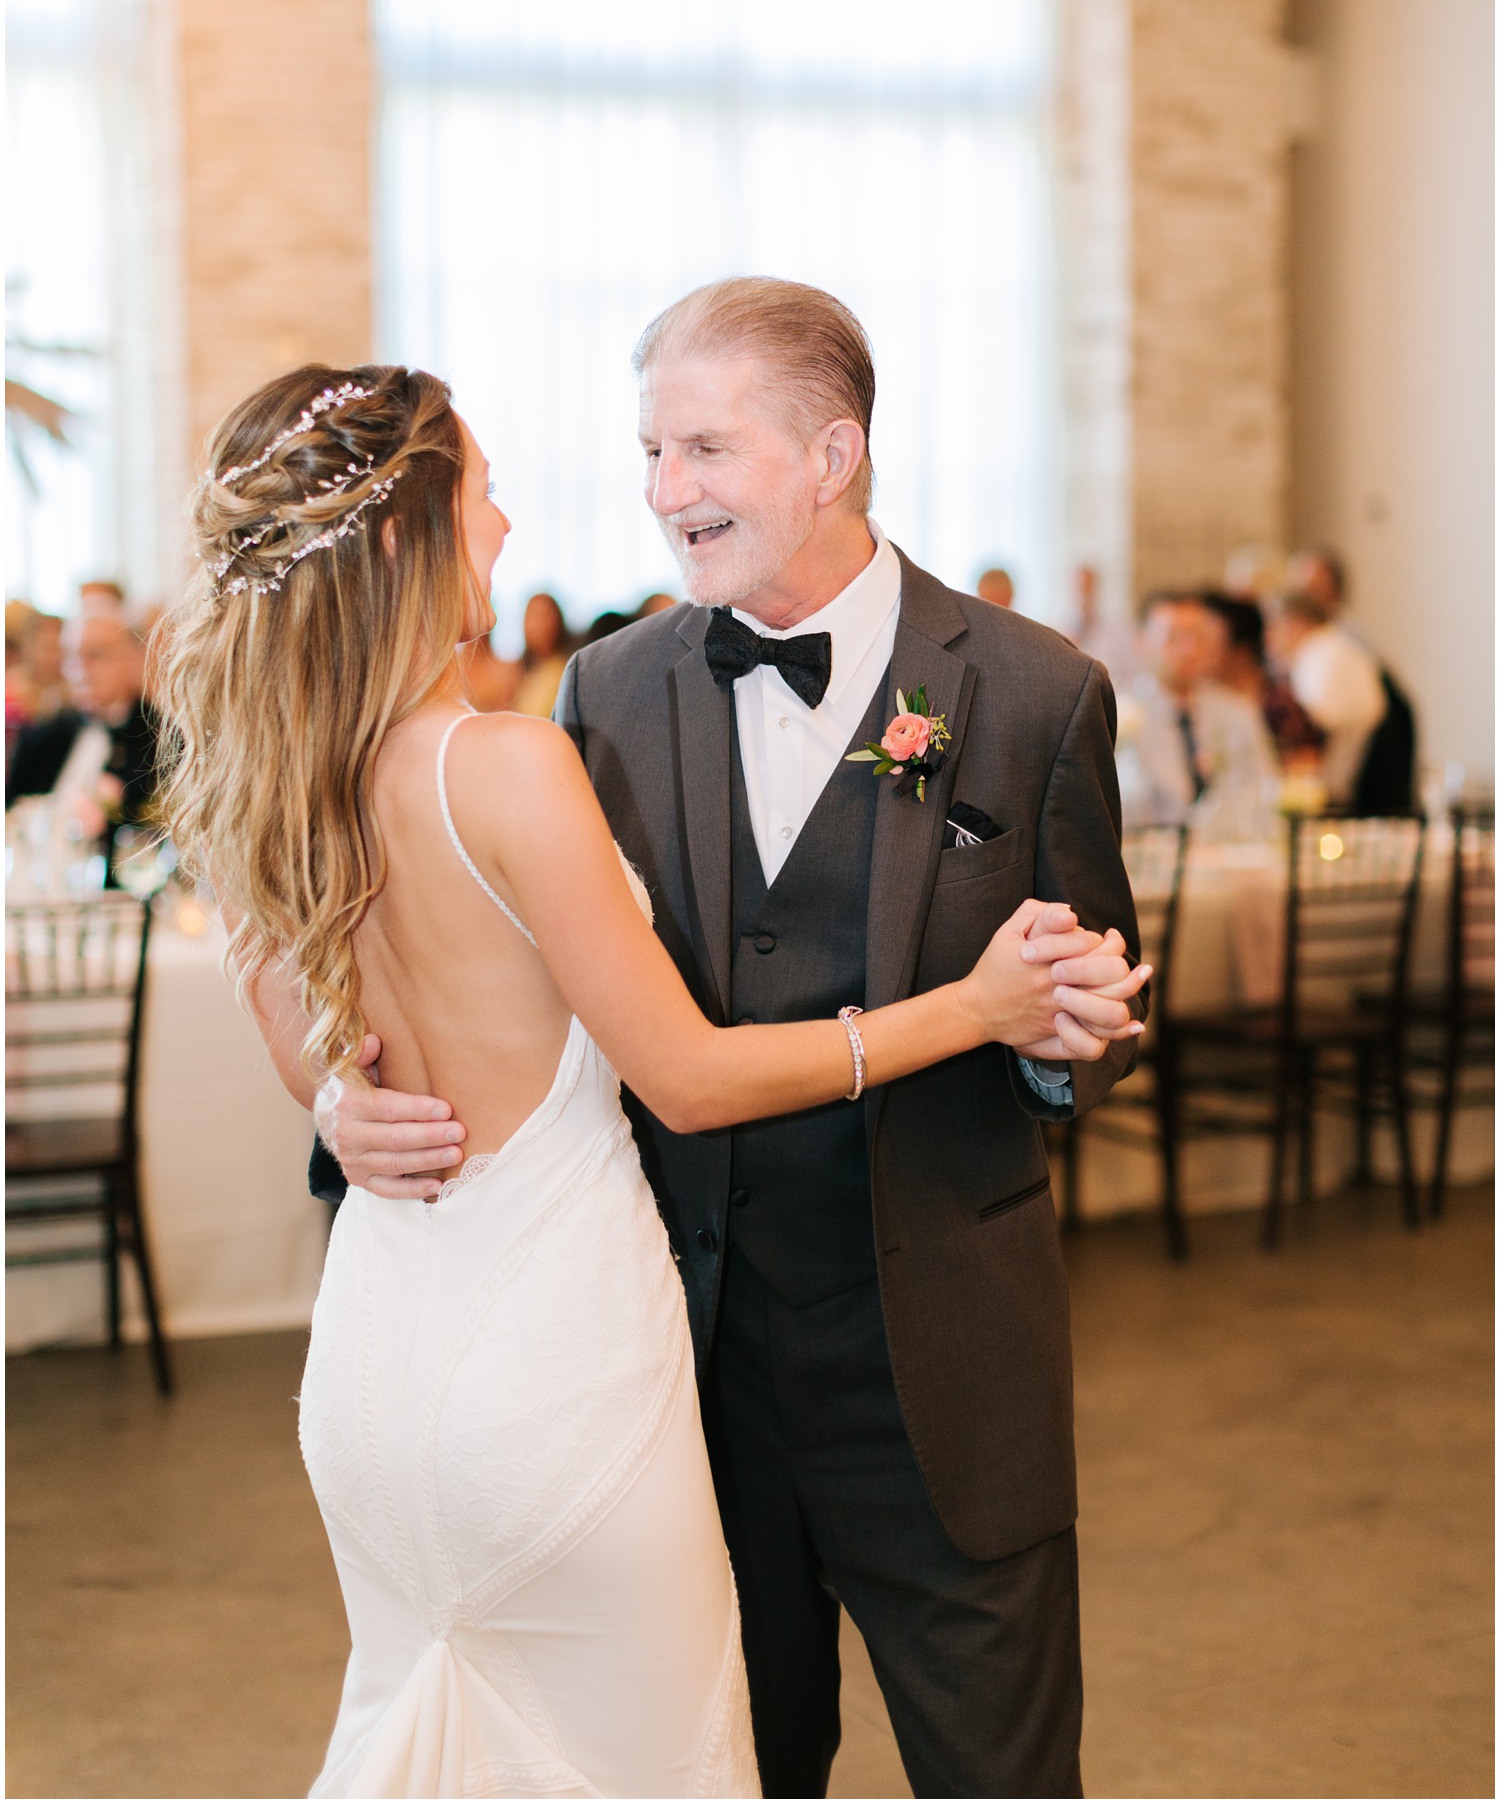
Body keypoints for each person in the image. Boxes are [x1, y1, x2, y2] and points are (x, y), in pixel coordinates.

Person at [322, 281, 1150, 1799]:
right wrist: (339, 1111)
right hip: (673, 1384)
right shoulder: (607, 693)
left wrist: (1072, 1031)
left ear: (832, 456)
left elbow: (1094, 1010)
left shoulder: (1034, 693)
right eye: (650, 451)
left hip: (945, 1382)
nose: (662, 492)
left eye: (702, 447)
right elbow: (488, 975)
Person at [1120, 590, 1279, 832]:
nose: (1188, 649)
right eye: (1173, 638)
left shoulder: (1237, 713)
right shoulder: (1122, 717)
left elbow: (1266, 790)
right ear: (1141, 642)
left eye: (1197, 637)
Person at [6, 608, 161, 840]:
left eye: (95, 654)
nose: (81, 669)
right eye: (71, 656)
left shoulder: (159, 735)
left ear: (131, 658)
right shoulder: (43, 735)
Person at [1267, 590, 1390, 810]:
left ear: (1293, 623)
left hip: (1330, 793)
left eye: (1273, 627)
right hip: (1357, 782)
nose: (1268, 638)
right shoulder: (1342, 648)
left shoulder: (1318, 655)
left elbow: (1307, 728)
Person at [1199, 590, 1325, 763]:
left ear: (1242, 653)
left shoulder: (1280, 704)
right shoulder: (1198, 706)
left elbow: (1307, 764)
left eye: (1208, 642)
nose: (1195, 652)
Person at [509, 590, 572, 716]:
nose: (537, 625)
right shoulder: (518, 672)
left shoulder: (565, 671)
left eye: (544, 616)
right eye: (532, 617)